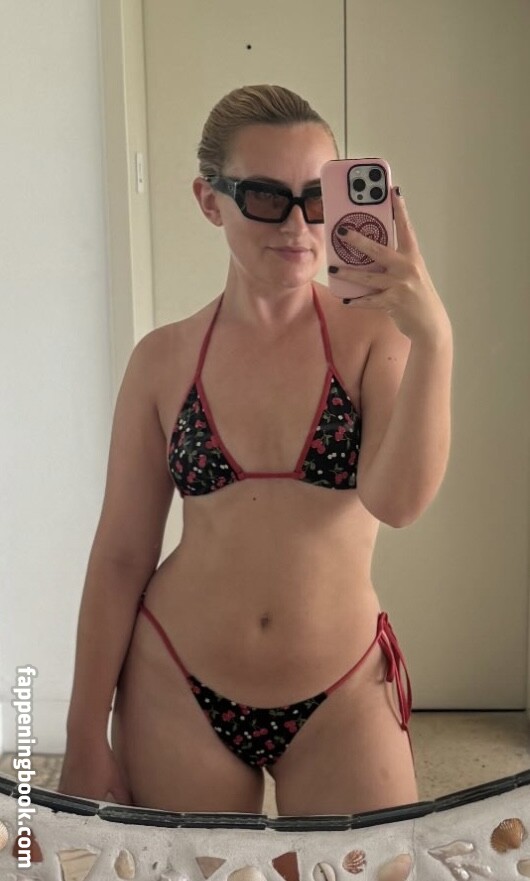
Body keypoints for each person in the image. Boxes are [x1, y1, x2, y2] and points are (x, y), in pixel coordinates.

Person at [58, 84, 452, 816]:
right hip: (176, 680)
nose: (298, 225)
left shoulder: (376, 340)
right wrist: (83, 733)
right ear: (210, 201)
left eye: (317, 197)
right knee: (196, 868)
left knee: (370, 866)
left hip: (342, 688)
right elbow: (120, 556)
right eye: (267, 197)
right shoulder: (162, 360)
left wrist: (434, 338)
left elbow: (397, 504)